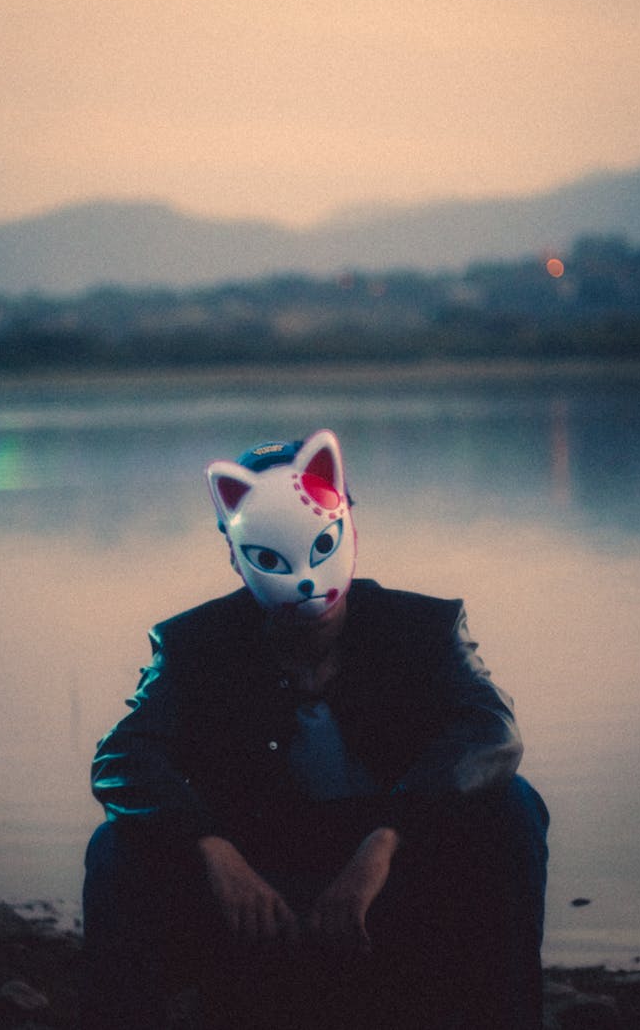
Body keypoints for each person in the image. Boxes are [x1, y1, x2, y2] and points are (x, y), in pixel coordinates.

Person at [82, 429, 549, 1030]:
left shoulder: (424, 628)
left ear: (351, 528)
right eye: (271, 551)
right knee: (115, 849)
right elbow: (122, 759)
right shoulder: (193, 646)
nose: (305, 579)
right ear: (234, 556)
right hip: (255, 876)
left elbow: (493, 731)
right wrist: (209, 846)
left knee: (514, 806)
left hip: (396, 871)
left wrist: (387, 837)